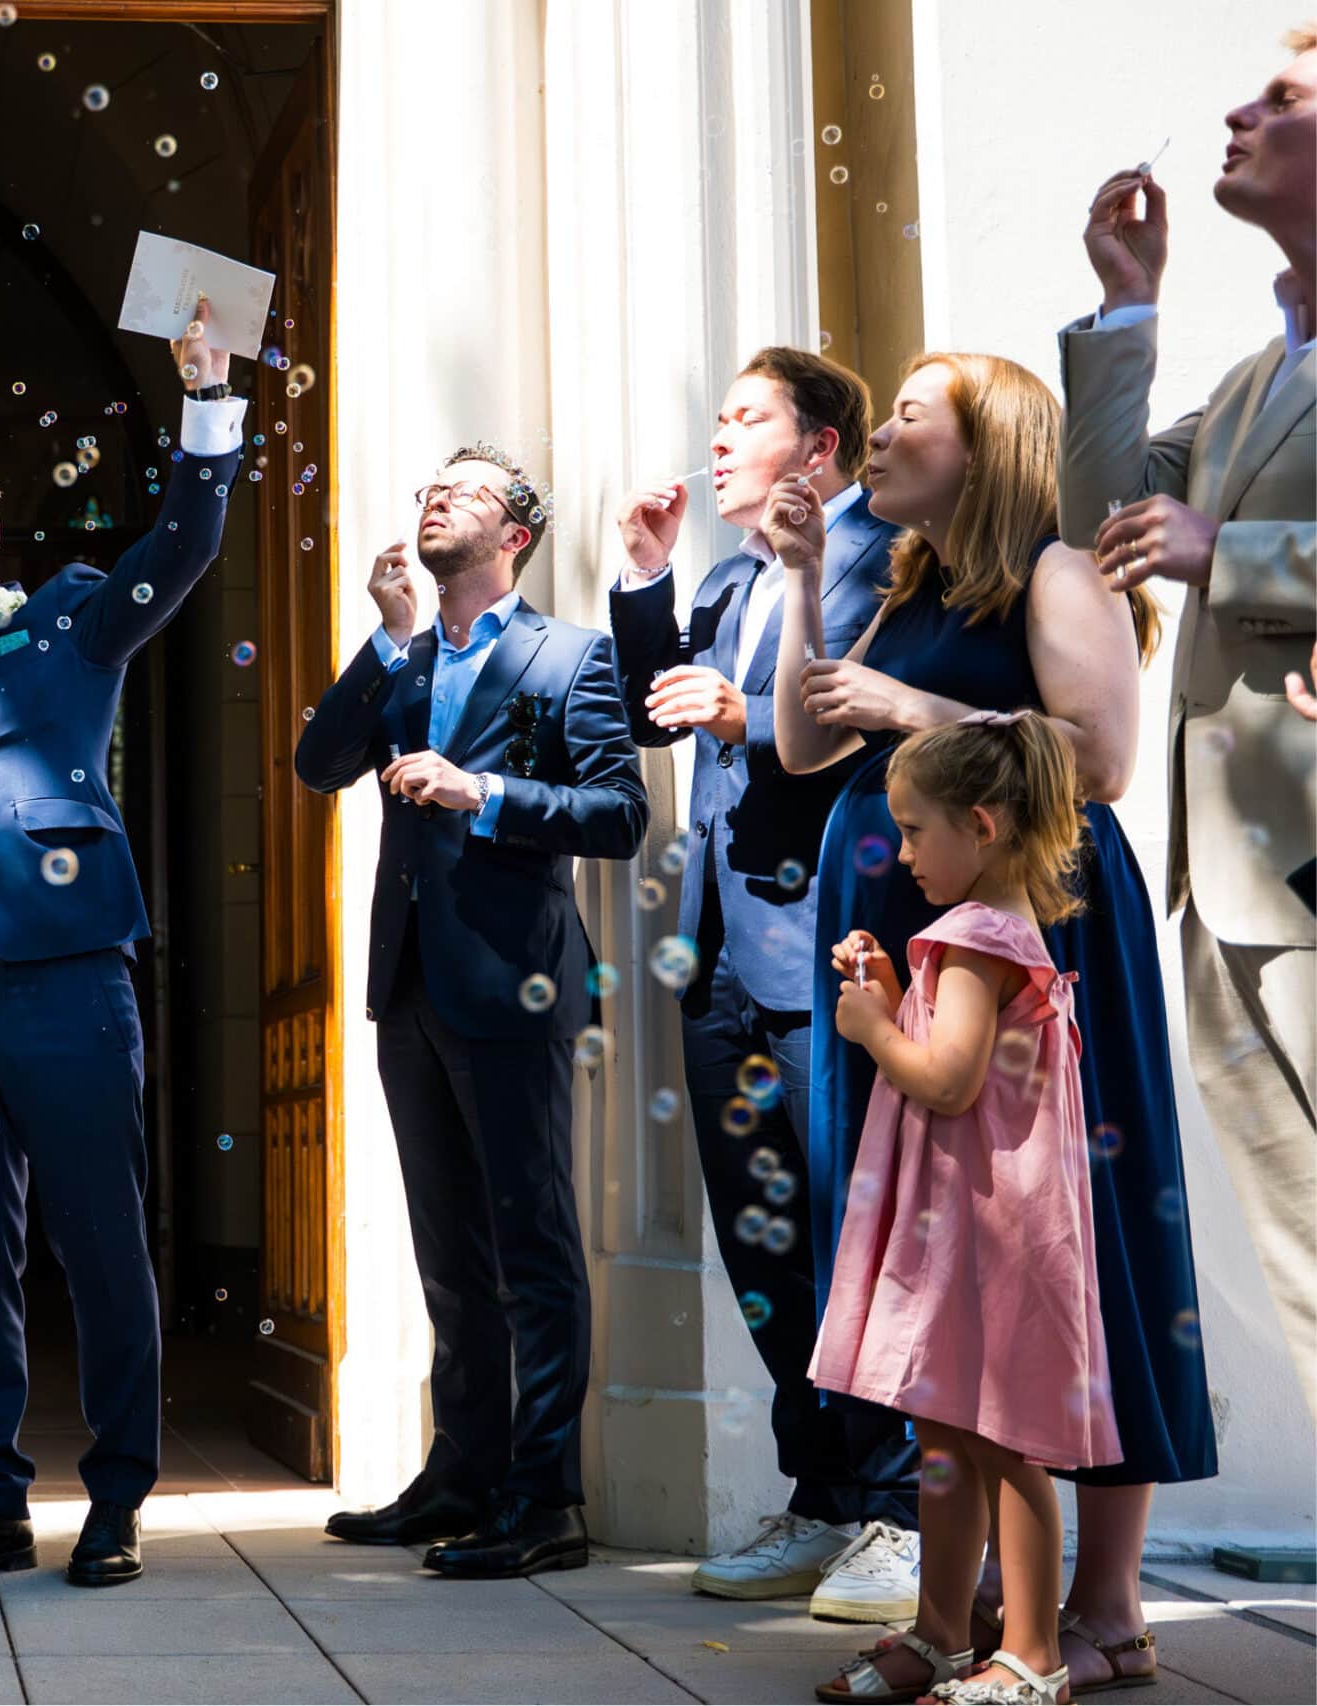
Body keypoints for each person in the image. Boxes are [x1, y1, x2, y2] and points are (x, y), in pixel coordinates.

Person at [774, 352, 1214, 1700]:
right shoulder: (904, 585)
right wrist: (799, 581)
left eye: (914, 410)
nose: (884, 430)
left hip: (1043, 947)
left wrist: (917, 710)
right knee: (946, 1264)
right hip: (918, 959)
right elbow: (799, 743)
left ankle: (1107, 1608)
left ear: (991, 444)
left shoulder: (1056, 573)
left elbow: (1100, 756)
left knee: (1075, 1249)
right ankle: (961, 1605)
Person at [0, 300, 246, 1590]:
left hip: (70, 977)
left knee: (98, 1238)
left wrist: (205, 400)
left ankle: (121, 1495)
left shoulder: (73, 621)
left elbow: (186, 540)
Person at [295, 442, 646, 1579]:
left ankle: (544, 1501)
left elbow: (617, 810)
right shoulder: (401, 660)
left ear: (515, 537)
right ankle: (461, 1474)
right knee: (447, 1252)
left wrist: (481, 790)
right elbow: (315, 761)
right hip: (409, 987)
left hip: (514, 984)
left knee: (530, 1248)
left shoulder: (569, 656)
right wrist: (387, 639)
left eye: (467, 489)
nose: (436, 495)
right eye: (429, 486)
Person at [608, 349, 921, 1615]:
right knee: (765, 1246)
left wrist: (747, 713)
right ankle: (822, 1498)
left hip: (827, 944)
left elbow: (852, 724)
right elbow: (648, 712)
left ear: (823, 447)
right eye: (719, 419)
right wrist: (643, 579)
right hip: (721, 957)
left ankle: (899, 1509)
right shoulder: (730, 572)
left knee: (857, 1235)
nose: (719, 437)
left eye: (747, 419)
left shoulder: (884, 558)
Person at [1056, 24, 1317, 1419]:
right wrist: (1128, 309)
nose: (1237, 111)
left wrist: (1239, 553)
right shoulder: (1253, 379)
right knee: (1306, 1259)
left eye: (1281, 98)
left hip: (1306, 863)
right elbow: (1095, 517)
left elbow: (1201, 543)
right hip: (1227, 886)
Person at [810, 714, 1118, 1706]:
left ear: (980, 824)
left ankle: (1031, 1653)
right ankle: (945, 1633)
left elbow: (945, 1079)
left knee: (1005, 1437)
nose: (901, 852)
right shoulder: (976, 935)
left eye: (913, 830)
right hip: (974, 1220)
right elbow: (954, 1052)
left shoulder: (978, 933)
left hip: (998, 1229)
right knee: (945, 1428)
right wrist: (895, 989)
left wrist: (864, 1027)